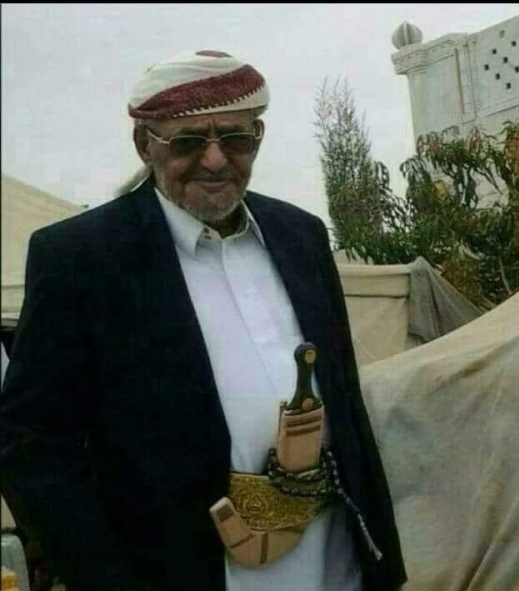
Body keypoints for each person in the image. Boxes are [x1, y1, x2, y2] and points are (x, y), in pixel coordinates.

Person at [0, 49, 406, 591]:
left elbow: (346, 400)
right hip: (184, 570)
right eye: (188, 141)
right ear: (145, 145)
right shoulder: (82, 257)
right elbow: (32, 443)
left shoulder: (301, 235)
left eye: (235, 139)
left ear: (257, 137)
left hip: (334, 562)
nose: (215, 160)